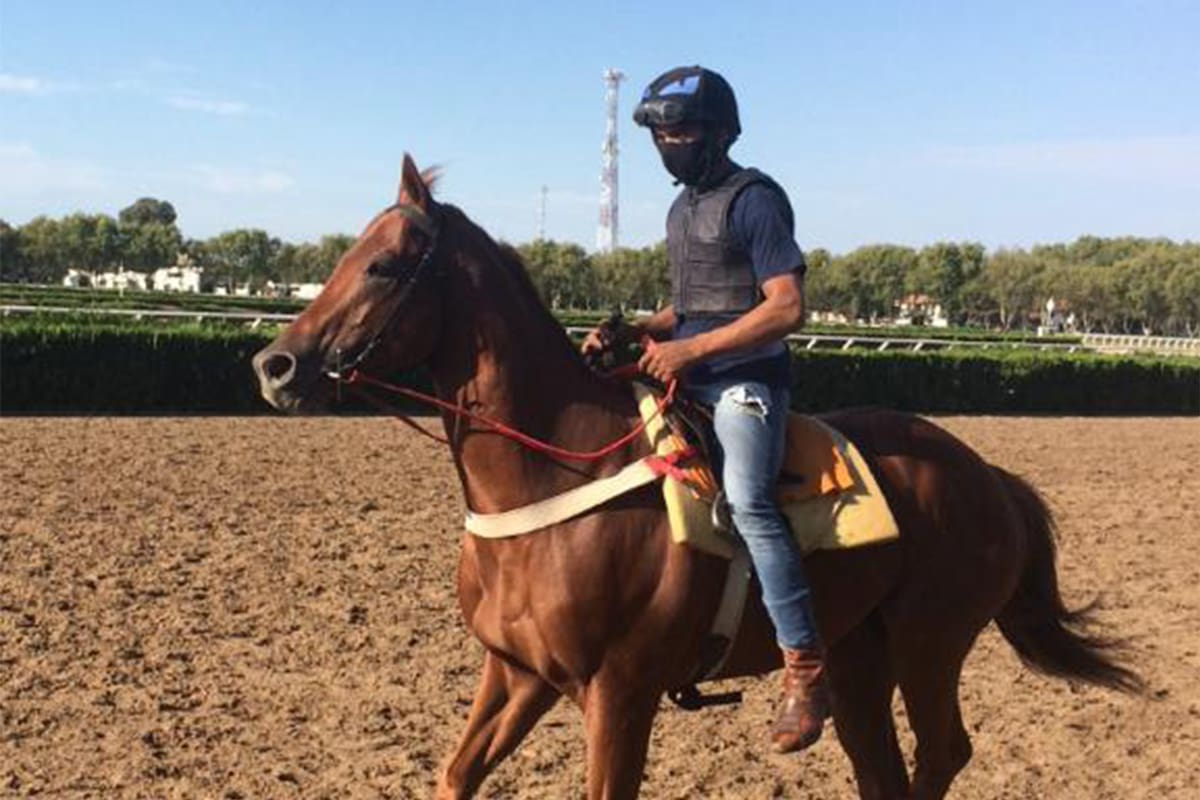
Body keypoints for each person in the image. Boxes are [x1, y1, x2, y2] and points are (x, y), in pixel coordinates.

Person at [581, 65, 829, 753]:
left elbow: (786, 306)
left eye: (680, 130)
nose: (668, 142)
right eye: (659, 133)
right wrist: (640, 333)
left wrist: (693, 353)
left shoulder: (755, 200)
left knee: (749, 502)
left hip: (745, 384)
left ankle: (805, 668)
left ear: (719, 133)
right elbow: (691, 307)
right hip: (683, 379)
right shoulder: (680, 208)